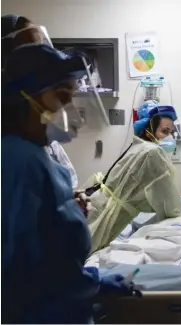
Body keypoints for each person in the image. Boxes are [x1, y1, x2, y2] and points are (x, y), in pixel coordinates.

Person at [2, 44, 133, 323]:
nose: (72, 111)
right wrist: (88, 288)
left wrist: (66, 209)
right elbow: (24, 269)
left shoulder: (36, 155)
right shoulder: (21, 161)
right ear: (24, 99)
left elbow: (46, 239)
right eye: (63, 97)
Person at [86, 100, 181, 254]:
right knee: (82, 254)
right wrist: (180, 218)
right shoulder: (152, 152)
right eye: (165, 131)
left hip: (96, 204)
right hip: (105, 214)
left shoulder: (139, 147)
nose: (169, 137)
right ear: (148, 128)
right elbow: (168, 201)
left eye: (171, 132)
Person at [2, 14, 80, 190]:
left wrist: (71, 198)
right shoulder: (11, 149)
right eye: (31, 48)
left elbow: (65, 182)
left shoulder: (38, 126)